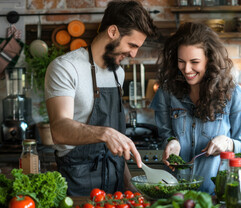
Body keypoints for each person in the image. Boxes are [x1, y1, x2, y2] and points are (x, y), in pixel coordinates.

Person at [44, 0, 157, 196]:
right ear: (113, 32)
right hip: (77, 187)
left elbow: (117, 146)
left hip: (116, 190)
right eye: (132, 44)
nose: (133, 53)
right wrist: (104, 133)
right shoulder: (65, 67)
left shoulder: (118, 74)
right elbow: (59, 129)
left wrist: (129, 185)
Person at [149, 22, 241, 194]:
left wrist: (227, 143)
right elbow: (165, 135)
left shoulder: (232, 93)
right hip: (175, 193)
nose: (186, 69)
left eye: (194, 62)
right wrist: (170, 142)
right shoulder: (166, 92)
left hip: (216, 194)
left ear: (209, 60)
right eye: (181, 62)